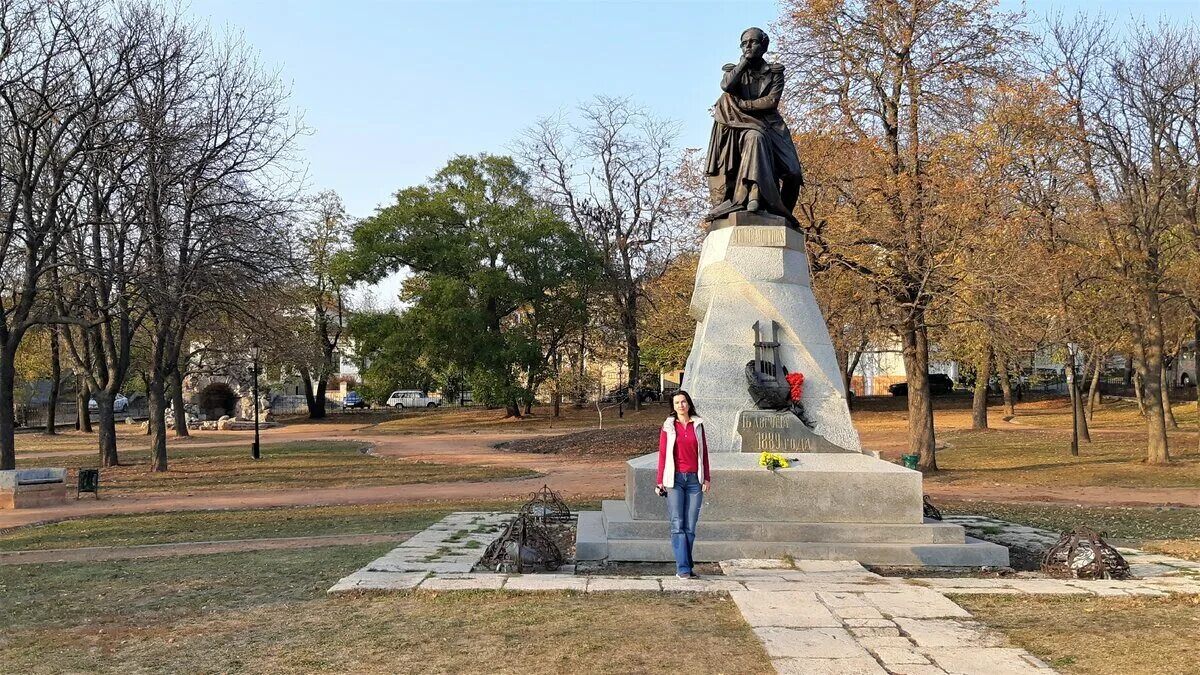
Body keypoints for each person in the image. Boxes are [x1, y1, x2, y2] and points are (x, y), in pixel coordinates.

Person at [704, 27, 803, 226]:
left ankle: (782, 214)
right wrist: (744, 63)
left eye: (753, 42)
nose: (748, 46)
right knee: (754, 138)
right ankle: (751, 196)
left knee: (793, 172)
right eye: (744, 43)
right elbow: (726, 87)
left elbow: (771, 101)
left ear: (764, 45)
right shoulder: (736, 70)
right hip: (740, 124)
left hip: (771, 125)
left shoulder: (774, 72)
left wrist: (744, 105)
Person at [655, 390, 712, 579]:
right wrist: (660, 481)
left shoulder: (698, 425)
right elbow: (663, 454)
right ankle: (683, 569)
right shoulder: (669, 427)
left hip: (695, 480)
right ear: (673, 406)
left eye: (684, 401)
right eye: (677, 402)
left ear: (689, 404)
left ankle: (686, 564)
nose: (681, 405)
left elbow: (703, 453)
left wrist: (707, 478)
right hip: (675, 480)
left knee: (690, 525)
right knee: (677, 523)